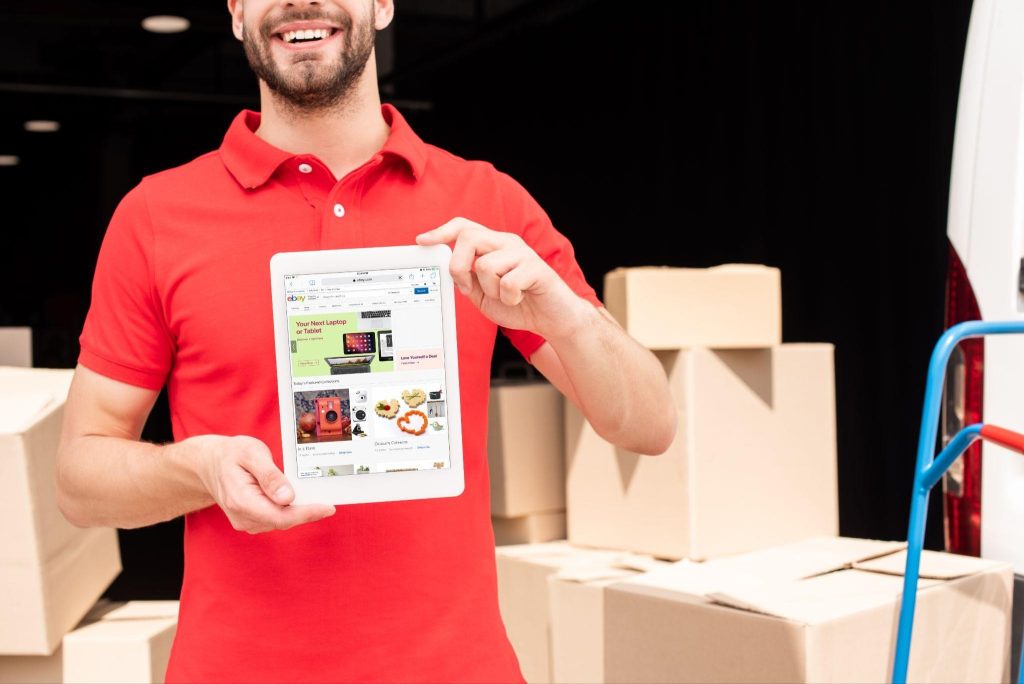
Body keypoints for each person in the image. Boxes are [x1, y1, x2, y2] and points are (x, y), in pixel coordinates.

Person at [56, 0, 676, 681]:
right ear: (236, 12)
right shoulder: (155, 216)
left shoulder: (486, 200)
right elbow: (81, 482)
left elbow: (648, 425)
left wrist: (568, 319)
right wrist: (198, 468)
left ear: (382, 4)